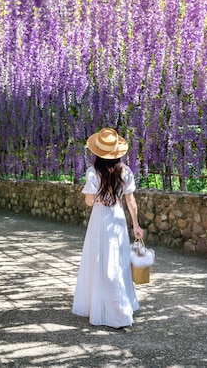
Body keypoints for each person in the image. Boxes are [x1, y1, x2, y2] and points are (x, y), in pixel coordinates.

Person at [72, 127, 144, 329]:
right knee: (116, 261)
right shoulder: (126, 171)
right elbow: (131, 201)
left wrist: (98, 196)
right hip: (117, 218)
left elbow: (88, 201)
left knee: (100, 260)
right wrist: (136, 225)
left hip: (100, 218)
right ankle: (118, 303)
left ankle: (111, 309)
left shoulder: (93, 172)